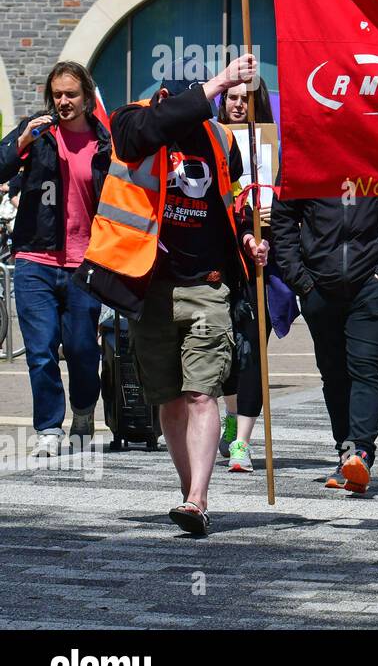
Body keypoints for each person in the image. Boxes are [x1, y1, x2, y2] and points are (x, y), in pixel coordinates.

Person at [76, 54, 268, 535]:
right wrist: (218, 84)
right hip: (150, 285)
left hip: (207, 286)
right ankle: (188, 491)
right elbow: (147, 132)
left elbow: (227, 204)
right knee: (169, 399)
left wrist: (247, 237)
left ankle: (198, 498)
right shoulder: (133, 120)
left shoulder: (222, 140)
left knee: (201, 393)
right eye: (189, 99)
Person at [271, 188, 378, 494]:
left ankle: (361, 452)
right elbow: (283, 216)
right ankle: (346, 453)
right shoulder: (306, 152)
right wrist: (298, 277)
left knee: (365, 367)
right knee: (334, 374)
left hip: (373, 285)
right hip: (317, 286)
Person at [0, 62, 110, 457]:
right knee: (40, 348)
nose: (63, 102)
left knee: (81, 347)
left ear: (87, 97)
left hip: (86, 261)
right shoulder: (38, 132)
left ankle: (83, 410)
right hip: (35, 257)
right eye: (58, 95)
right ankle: (48, 427)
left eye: (71, 94)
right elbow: (1, 164)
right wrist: (22, 143)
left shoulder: (104, 142)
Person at [215, 79, 276, 472]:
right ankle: (233, 415)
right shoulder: (214, 142)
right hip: (222, 260)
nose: (239, 105)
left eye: (246, 99)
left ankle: (242, 442)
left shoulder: (275, 145)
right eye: (232, 98)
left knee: (253, 351)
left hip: (265, 266)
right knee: (225, 354)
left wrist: (273, 217)